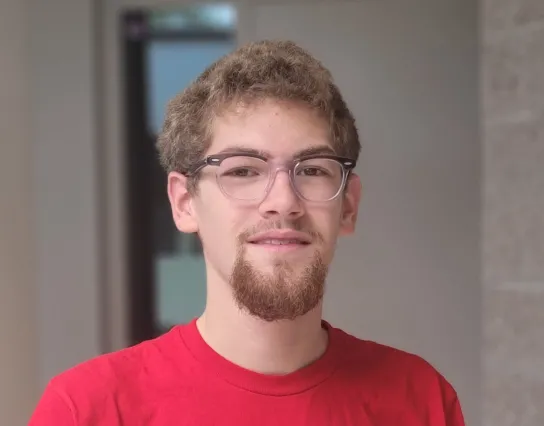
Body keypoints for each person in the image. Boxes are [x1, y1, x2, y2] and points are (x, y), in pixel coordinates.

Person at [29, 40, 466, 426]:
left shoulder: (421, 400)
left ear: (347, 205)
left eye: (312, 170)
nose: (282, 200)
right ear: (184, 203)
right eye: (242, 170)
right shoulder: (87, 410)